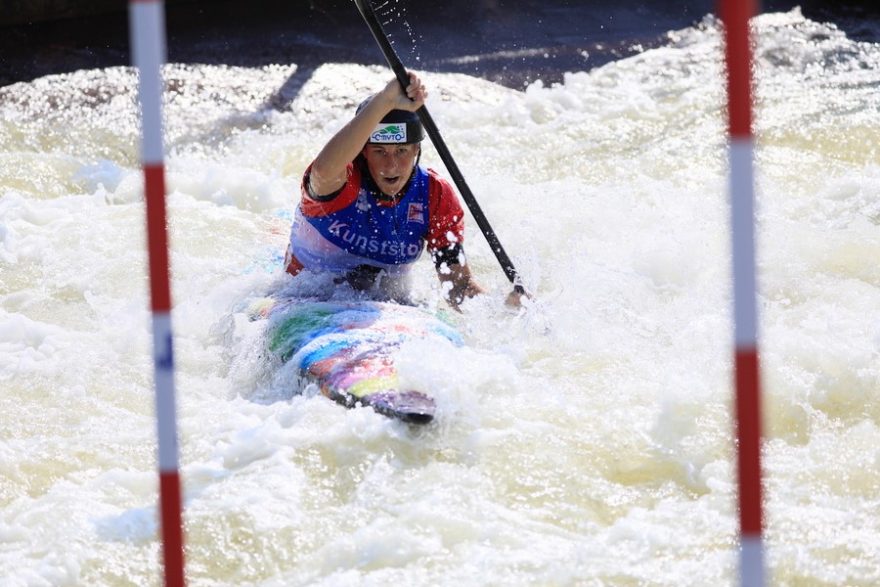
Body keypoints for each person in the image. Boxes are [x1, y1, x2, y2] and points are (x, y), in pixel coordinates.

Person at [283, 71, 487, 308]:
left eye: (402, 151)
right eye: (380, 151)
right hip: (307, 299)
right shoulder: (342, 181)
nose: (391, 166)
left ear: (416, 151)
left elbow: (457, 287)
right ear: (364, 152)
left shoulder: (434, 195)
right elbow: (322, 171)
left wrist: (506, 310)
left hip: (384, 307)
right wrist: (385, 100)